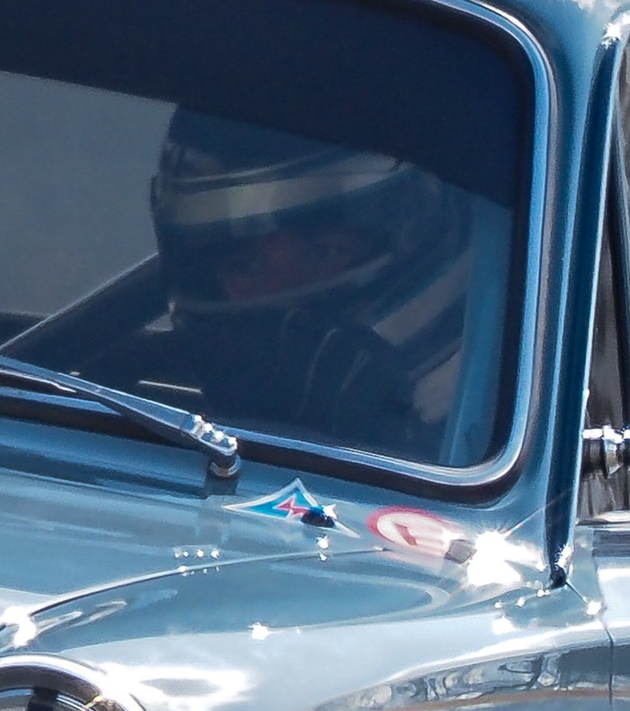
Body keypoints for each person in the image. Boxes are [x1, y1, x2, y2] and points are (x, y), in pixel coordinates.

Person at [150, 110, 487, 457]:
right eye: (248, 266)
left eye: (321, 254)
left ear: (417, 254)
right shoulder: (144, 430)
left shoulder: (497, 455)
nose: (279, 294)